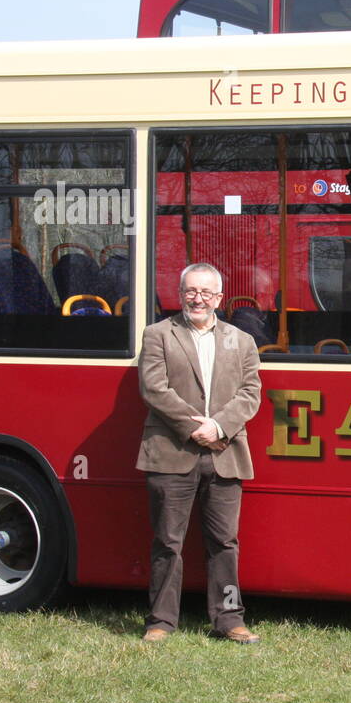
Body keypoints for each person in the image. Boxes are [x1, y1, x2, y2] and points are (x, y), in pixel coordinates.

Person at [137, 262, 262, 644]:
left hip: (225, 453)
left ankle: (228, 619)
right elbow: (154, 389)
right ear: (181, 294)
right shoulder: (158, 334)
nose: (198, 299)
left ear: (219, 298)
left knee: (224, 542)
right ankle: (161, 621)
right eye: (191, 291)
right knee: (167, 542)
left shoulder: (242, 341)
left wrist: (219, 427)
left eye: (207, 293)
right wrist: (197, 428)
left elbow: (250, 393)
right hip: (171, 452)